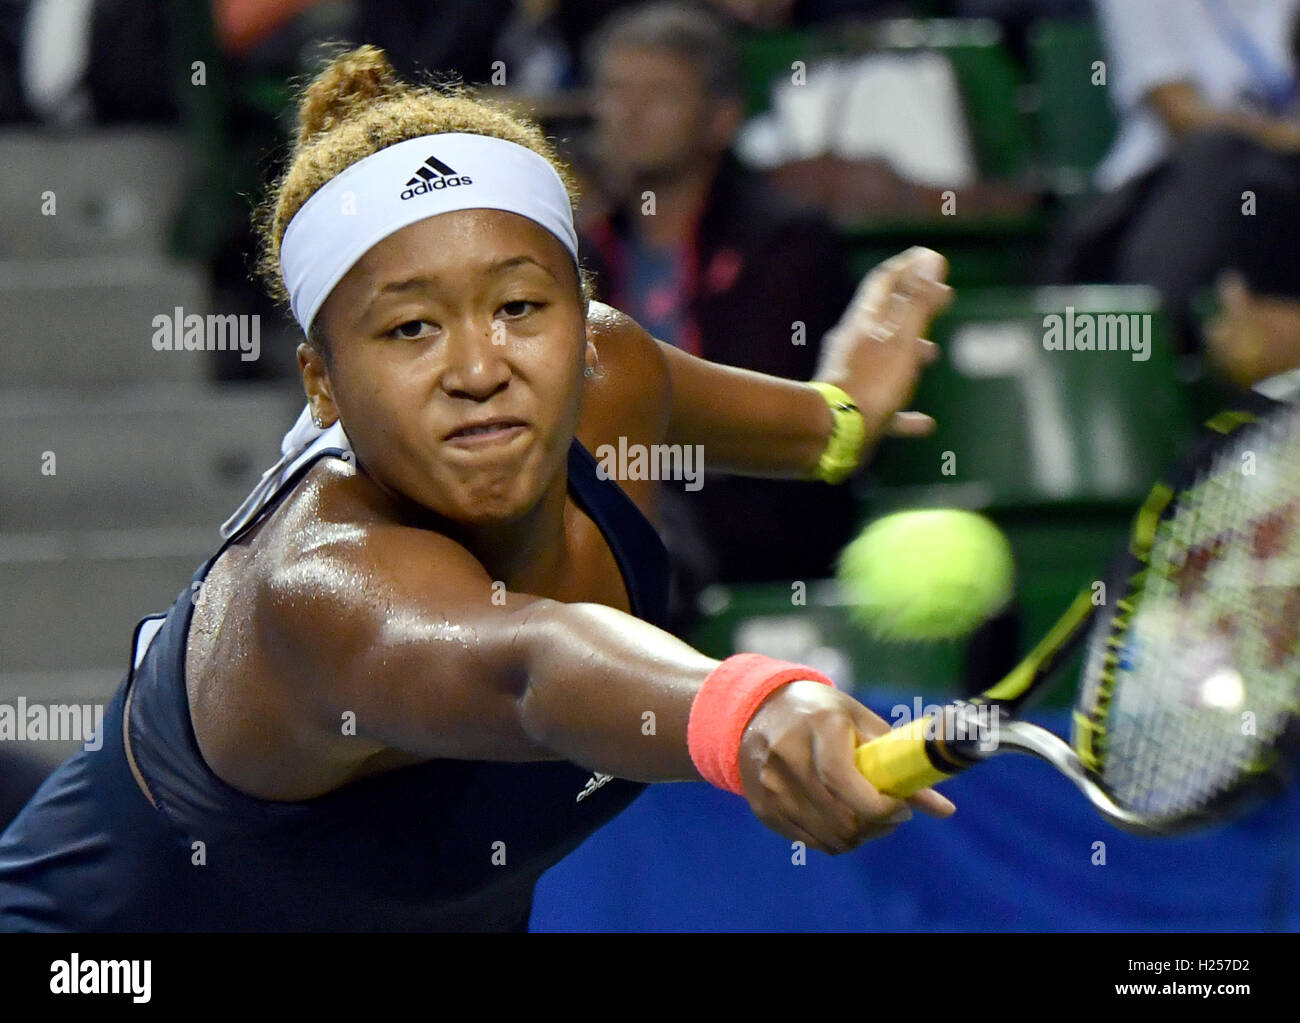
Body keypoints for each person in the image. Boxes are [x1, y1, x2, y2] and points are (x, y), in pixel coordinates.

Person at [0, 45, 954, 932]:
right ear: (322, 383)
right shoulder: (317, 590)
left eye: (520, 306)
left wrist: (843, 417)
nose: (480, 366)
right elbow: (531, 664)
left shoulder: (608, 374)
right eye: (410, 328)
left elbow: (825, 428)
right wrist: (749, 709)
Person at [578, 3, 862, 590]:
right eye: (614, 91)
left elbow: (767, 425)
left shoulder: (786, 242)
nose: (628, 114)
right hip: (617, 492)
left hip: (748, 514)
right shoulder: (579, 247)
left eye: (658, 95)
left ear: (721, 119)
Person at [1047, 0, 1300, 350]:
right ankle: (1150, 341)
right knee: (1216, 152)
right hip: (1167, 184)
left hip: (1276, 185)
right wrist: (1285, 136)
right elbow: (1181, 115)